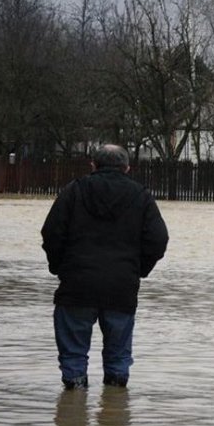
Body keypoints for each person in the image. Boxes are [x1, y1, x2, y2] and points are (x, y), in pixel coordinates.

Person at [41, 144, 168, 389]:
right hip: (121, 287)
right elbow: (158, 239)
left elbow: (51, 233)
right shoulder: (141, 196)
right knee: (118, 358)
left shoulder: (73, 191)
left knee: (73, 357)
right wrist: (138, 269)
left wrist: (59, 267)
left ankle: (73, 408)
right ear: (127, 167)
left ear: (93, 165)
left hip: (76, 286)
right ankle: (115, 412)